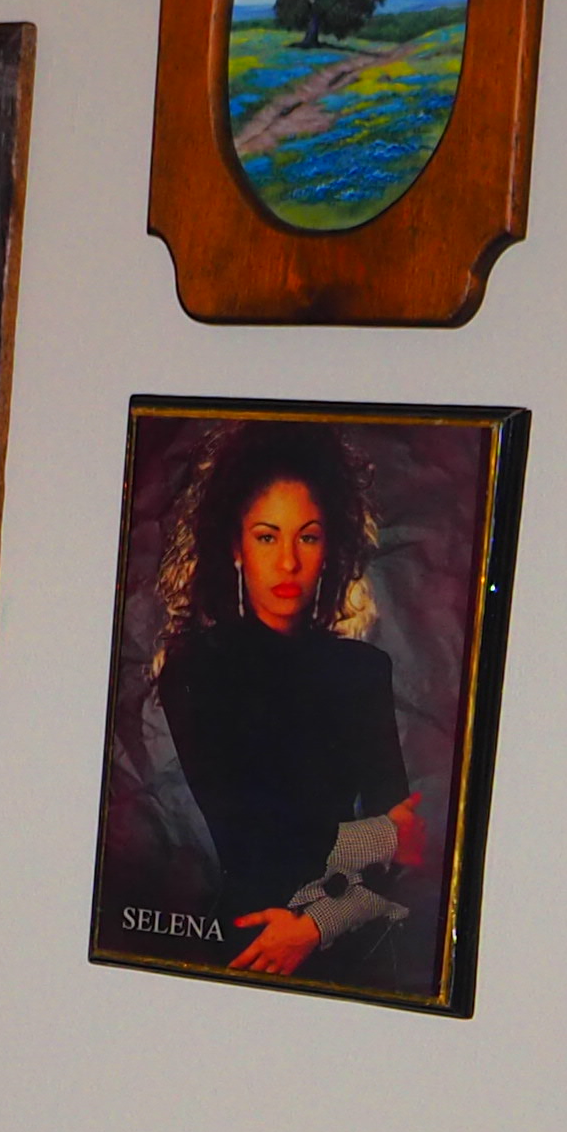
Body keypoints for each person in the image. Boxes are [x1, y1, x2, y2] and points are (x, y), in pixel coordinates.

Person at [147, 419, 419, 982]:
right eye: (268, 537)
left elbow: (407, 853)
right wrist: (382, 835)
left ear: (330, 547)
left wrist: (319, 924)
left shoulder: (364, 669)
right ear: (236, 547)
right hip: (249, 943)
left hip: (351, 947)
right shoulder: (197, 668)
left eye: (308, 537)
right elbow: (258, 844)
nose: (289, 562)